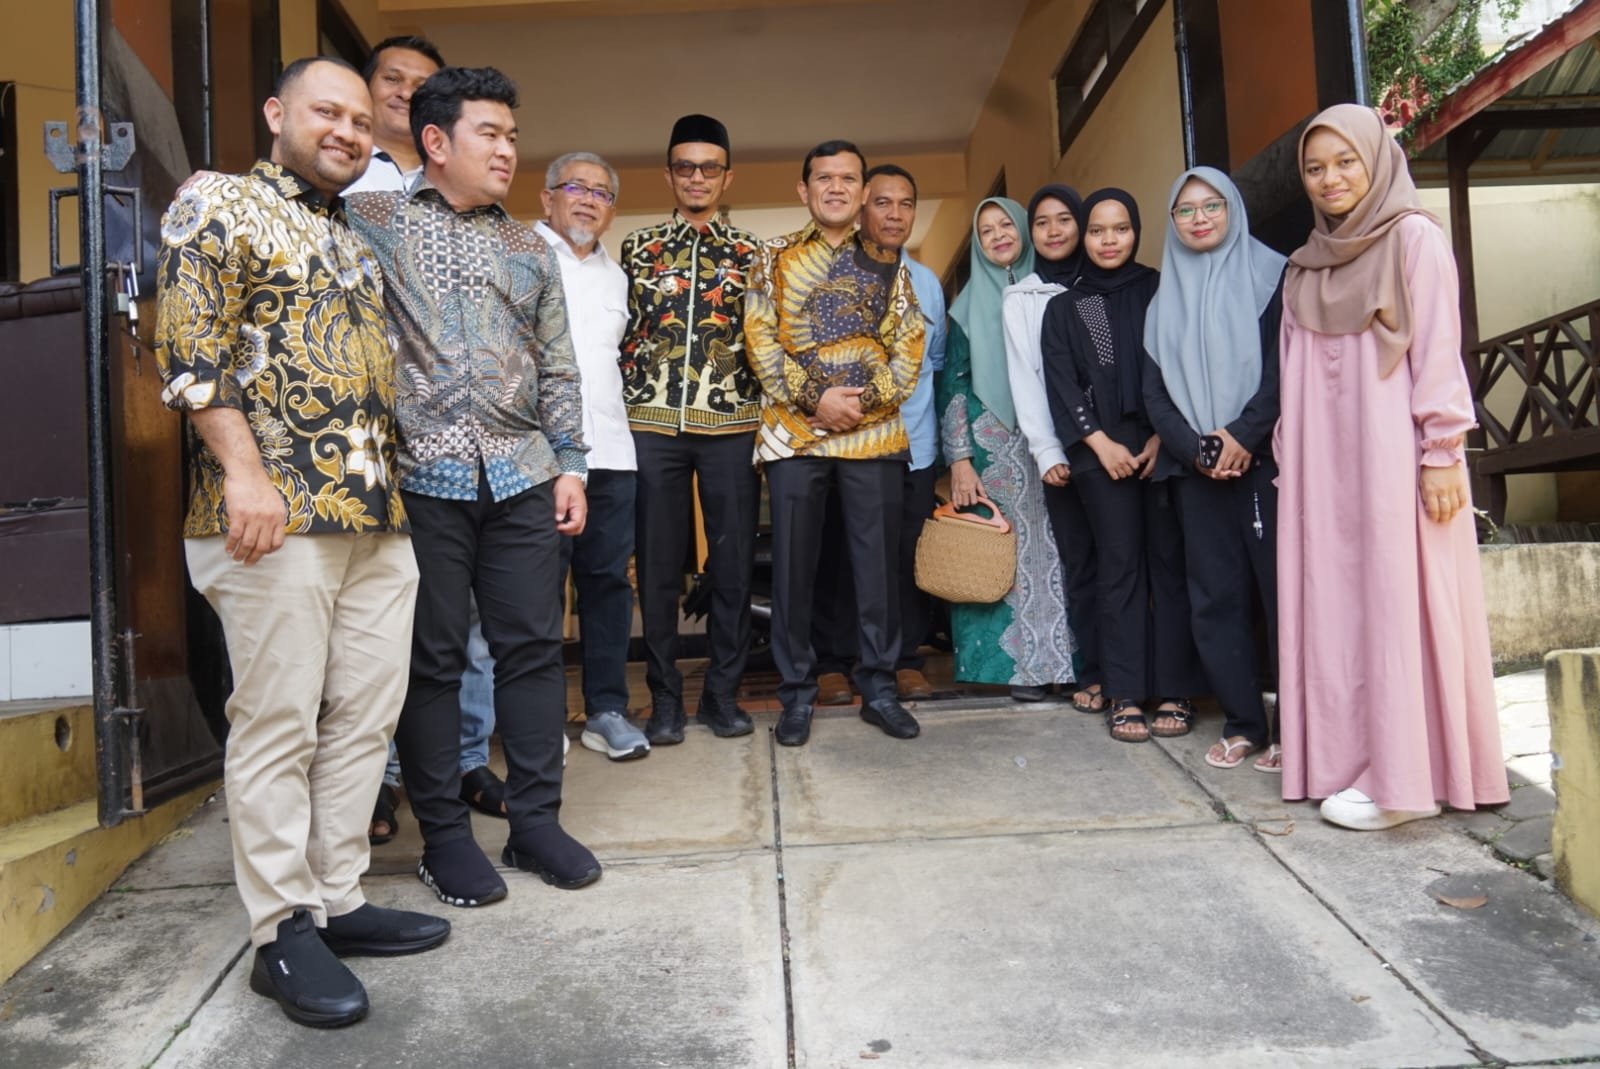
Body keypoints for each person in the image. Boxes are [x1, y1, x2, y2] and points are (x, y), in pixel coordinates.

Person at [155, 56, 448, 1029]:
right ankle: (280, 929)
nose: (350, 132)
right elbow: (189, 351)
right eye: (329, 112)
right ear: (276, 112)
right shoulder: (219, 203)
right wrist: (243, 473)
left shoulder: (351, 238)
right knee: (279, 721)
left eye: (362, 121)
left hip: (373, 517)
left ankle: (336, 897)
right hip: (271, 516)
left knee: (365, 715)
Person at [344, 66, 601, 906]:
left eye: (511, 135)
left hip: (523, 472)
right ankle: (445, 839)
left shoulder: (530, 246)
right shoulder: (369, 219)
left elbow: (557, 363)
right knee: (433, 659)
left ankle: (535, 823)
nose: (506, 149)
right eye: (489, 133)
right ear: (435, 141)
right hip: (422, 477)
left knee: (532, 650)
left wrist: (572, 463)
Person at [1277, 104, 1508, 829]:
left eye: (1346, 161)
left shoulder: (1414, 239)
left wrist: (1443, 453)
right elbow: (1292, 377)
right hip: (1324, 469)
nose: (1331, 178)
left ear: (1377, 160)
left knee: (1398, 599)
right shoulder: (1304, 267)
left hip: (1397, 460)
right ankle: (1347, 760)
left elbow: (1439, 349)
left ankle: (1408, 779)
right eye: (1315, 168)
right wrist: (1292, 459)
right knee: (1338, 605)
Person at [744, 139, 925, 747]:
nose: (837, 188)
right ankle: (796, 694)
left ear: (862, 190)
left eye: (849, 178)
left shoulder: (888, 260)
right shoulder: (772, 257)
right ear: (804, 189)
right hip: (795, 437)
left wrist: (859, 404)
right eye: (825, 178)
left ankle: (879, 689)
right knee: (794, 572)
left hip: (874, 437)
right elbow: (760, 341)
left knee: (877, 571)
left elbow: (909, 345)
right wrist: (816, 399)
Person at [334, 32, 455, 847]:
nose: (406, 93)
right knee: (367, 618)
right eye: (393, 78)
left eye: (422, 83)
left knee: (446, 611)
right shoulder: (344, 178)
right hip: (361, 428)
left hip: (443, 430)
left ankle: (453, 763)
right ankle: (373, 779)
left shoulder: (451, 182)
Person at [1039, 189, 1204, 743]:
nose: (1109, 240)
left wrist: (1163, 436)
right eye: (1097, 230)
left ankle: (1176, 687)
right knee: (1119, 569)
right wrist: (1100, 444)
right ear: (1083, 238)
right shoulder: (1065, 306)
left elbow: (1182, 366)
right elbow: (1061, 384)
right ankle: (1125, 691)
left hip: (1164, 447)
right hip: (1099, 454)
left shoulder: (1162, 290)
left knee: (1170, 566)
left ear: (1136, 231)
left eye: (1120, 229)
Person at [619, 114, 763, 745]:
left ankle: (722, 696)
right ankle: (665, 698)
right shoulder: (639, 247)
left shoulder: (753, 253)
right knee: (656, 566)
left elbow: (764, 339)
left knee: (732, 566)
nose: (697, 177)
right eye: (685, 166)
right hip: (652, 424)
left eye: (709, 167)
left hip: (733, 423)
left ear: (727, 176)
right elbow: (624, 335)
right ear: (670, 174)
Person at [1143, 166, 1286, 770]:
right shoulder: (1162, 302)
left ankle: (1295, 730)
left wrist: (1241, 435)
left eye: (1212, 206)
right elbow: (1155, 394)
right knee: (1214, 598)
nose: (1199, 219)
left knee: (1281, 594)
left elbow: (1285, 367)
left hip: (1265, 463)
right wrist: (1199, 450)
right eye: (1185, 210)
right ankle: (1243, 723)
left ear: (1232, 210)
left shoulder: (1275, 276)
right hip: (1197, 472)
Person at [810, 164, 948, 704]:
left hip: (913, 446)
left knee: (904, 557)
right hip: (848, 445)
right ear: (862, 207)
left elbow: (935, 364)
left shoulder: (927, 284)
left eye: (906, 203)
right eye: (883, 203)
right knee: (839, 554)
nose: (895, 214)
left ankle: (903, 659)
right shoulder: (831, 275)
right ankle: (832, 661)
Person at [937, 197, 1076, 700]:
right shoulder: (965, 308)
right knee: (1001, 552)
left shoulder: (1055, 292)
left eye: (1005, 225)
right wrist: (960, 460)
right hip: (991, 444)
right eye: (986, 230)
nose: (998, 236)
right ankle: (1016, 673)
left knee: (1062, 550)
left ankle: (1066, 665)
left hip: (1054, 438)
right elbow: (953, 385)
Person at [537, 151, 650, 761]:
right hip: (541, 456)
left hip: (611, 452)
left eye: (601, 193)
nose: (587, 199)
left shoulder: (618, 278)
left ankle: (606, 710)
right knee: (539, 589)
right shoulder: (520, 255)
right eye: (574, 187)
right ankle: (540, 720)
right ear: (547, 197)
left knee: (608, 584)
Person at [1004, 186, 1102, 713]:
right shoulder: (1023, 297)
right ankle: (1094, 671)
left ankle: (1131, 672)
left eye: (1065, 219)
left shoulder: (1107, 282)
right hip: (1065, 451)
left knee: (1128, 565)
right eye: (1042, 222)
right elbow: (1026, 380)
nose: (1055, 231)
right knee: (1081, 564)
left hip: (1122, 448)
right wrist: (1047, 451)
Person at [344, 35, 443, 196]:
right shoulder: (335, 163)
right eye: (392, 79)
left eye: (421, 87)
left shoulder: (457, 178)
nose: (406, 94)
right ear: (365, 86)